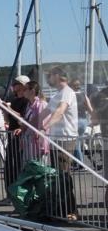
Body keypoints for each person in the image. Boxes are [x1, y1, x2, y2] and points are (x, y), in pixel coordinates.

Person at [42, 66, 79, 219]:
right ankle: (61, 209)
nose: (48, 79)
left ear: (57, 76)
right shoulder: (57, 95)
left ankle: (71, 211)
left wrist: (45, 126)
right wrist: (27, 125)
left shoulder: (67, 92)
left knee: (63, 176)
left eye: (50, 75)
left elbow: (60, 111)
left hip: (65, 139)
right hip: (56, 139)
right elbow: (44, 112)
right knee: (57, 176)